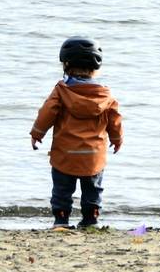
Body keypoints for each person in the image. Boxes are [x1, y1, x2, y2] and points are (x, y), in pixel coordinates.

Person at [31, 36, 123, 229]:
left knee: (62, 190)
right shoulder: (105, 95)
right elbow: (115, 119)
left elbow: (47, 113)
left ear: (65, 65)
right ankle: (91, 219)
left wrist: (37, 134)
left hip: (65, 154)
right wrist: (117, 139)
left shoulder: (61, 91)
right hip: (93, 156)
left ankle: (61, 220)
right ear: (95, 69)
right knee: (93, 189)